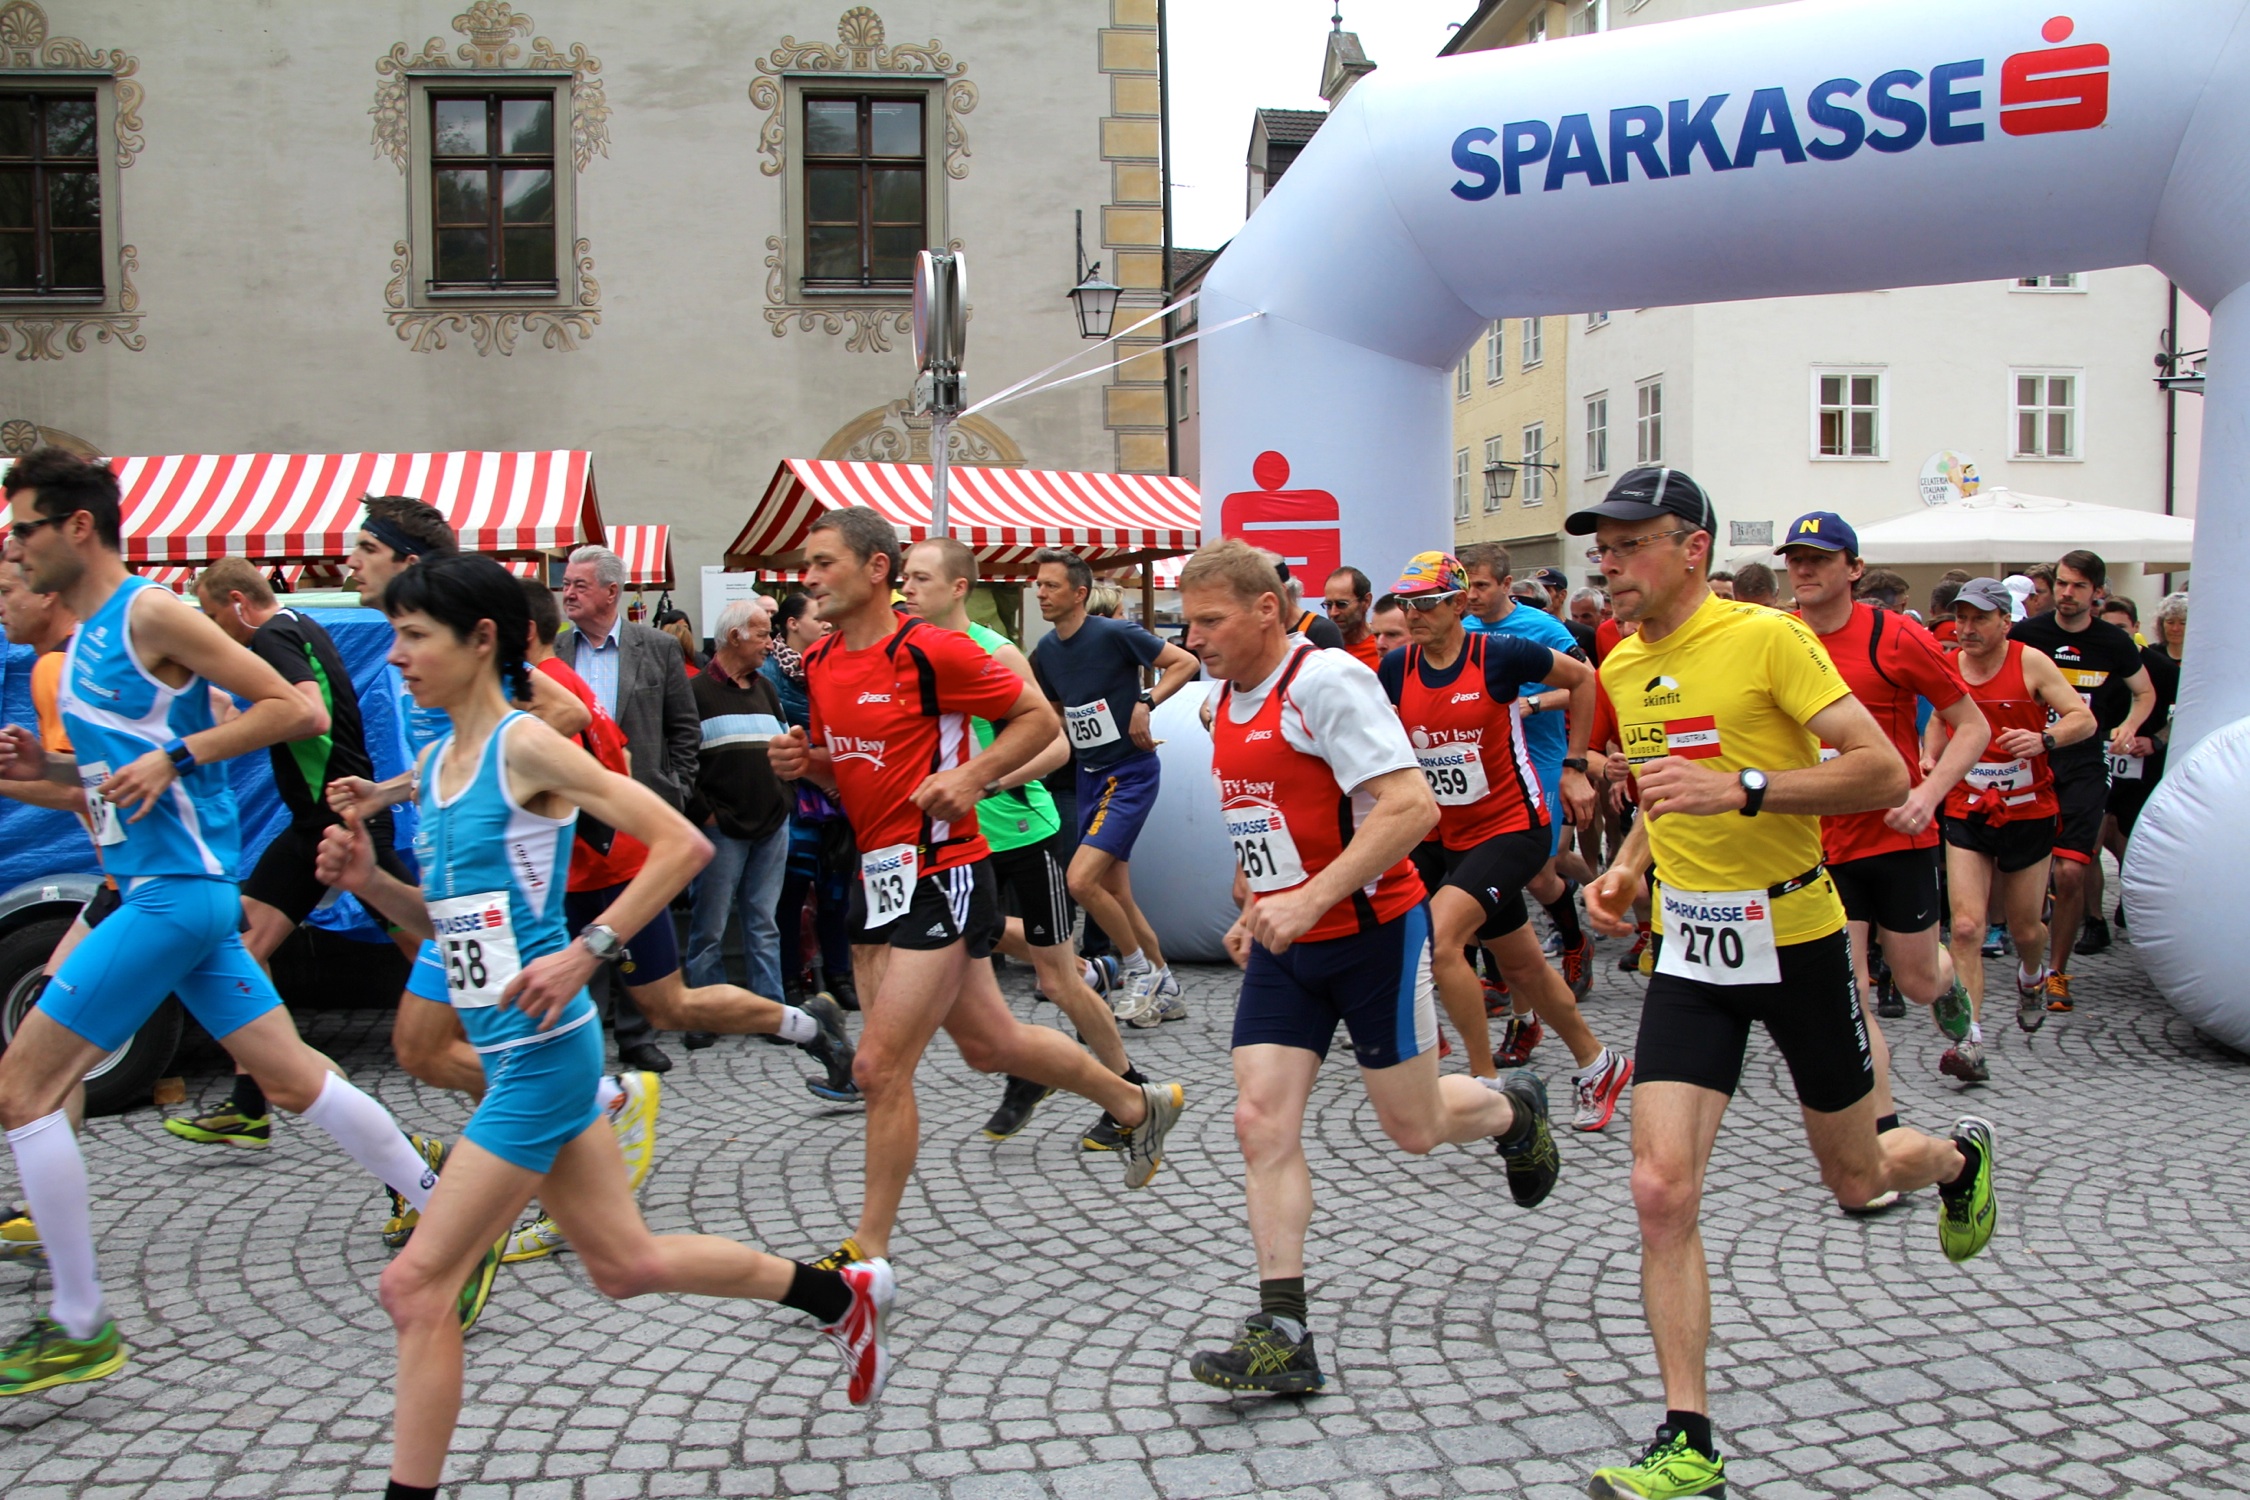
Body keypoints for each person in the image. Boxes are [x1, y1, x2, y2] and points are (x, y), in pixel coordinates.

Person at [314, 557, 893, 1499]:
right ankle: (837, 1295)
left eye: (415, 636)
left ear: (481, 641)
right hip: (517, 1053)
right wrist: (370, 883)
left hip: (540, 1060)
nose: (398, 656)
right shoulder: (440, 765)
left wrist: (589, 950)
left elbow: (681, 842)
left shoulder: (523, 746)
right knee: (626, 1264)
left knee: (414, 1287)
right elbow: (451, 930)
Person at [0, 449, 482, 1397]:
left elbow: (296, 711)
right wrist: (39, 774)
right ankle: (444, 1209)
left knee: (24, 1087)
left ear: (78, 527)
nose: (12, 550)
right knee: (295, 1078)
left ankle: (80, 1322)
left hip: (171, 895)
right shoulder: (90, 641)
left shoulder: (148, 613)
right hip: (180, 896)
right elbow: (113, 789)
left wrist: (177, 756)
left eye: (23, 531)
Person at [1574, 466, 1996, 1500]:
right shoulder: (1622, 660)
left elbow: (1883, 771)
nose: (1610, 564)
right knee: (1659, 1188)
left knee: (1857, 1177)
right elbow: (1667, 792)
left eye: (1631, 544)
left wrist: (1744, 788)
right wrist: (1627, 867)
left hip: (1798, 937)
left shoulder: (1768, 639)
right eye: (1604, 547)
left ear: (1694, 549)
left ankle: (1953, 1161)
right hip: (1691, 950)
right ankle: (1688, 1442)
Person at [1180, 539, 1557, 1396]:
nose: (1193, 638)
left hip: (1373, 937)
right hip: (1287, 949)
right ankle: (1283, 1331)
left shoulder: (1327, 683)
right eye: (1189, 622)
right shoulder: (1220, 699)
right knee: (1259, 1121)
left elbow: (1411, 807)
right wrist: (1256, 899)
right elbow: (1268, 810)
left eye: (1210, 621)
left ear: (1266, 610)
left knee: (1414, 1128)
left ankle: (1512, 1109)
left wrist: (1309, 899)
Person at [768, 507, 1187, 1276]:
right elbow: (851, 766)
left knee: (878, 1067)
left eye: (824, 563)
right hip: (879, 873)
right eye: (808, 565)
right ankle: (1138, 1104)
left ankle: (866, 1259)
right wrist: (809, 765)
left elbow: (1039, 721)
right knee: (991, 1045)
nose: (809, 578)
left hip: (946, 871)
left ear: (875, 569)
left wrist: (973, 777)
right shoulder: (821, 660)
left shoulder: (932, 651)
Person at [899, 540, 1151, 1148]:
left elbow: (1057, 745)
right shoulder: (905, 654)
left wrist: (985, 782)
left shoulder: (995, 651)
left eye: (921, 579)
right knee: (965, 947)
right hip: (952, 842)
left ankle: (1130, 1089)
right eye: (904, 578)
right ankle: (1024, 1062)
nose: (907, 590)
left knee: (1056, 980)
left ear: (959, 588)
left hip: (1019, 831)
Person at [1379, 552, 1631, 1128]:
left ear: (1458, 604)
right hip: (1448, 834)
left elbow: (1584, 678)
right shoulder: (1398, 666)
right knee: (1524, 968)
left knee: (1443, 939)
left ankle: (1484, 1082)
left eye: (1426, 603)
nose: (1413, 615)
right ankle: (1599, 1063)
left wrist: (1574, 765)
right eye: (1407, 604)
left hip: (1513, 827)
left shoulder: (1499, 653)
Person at [1778, 515, 1989, 1141]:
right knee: (1851, 990)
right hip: (1815, 843)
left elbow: (1972, 726)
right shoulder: (1776, 636)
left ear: (1854, 568)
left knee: (1918, 981)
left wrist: (1928, 793)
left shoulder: (1894, 636)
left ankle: (1946, 982)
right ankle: (1883, 1133)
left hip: (1894, 834)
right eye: (1795, 558)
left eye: (1819, 557)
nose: (1804, 569)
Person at [1027, 547, 1201, 1026]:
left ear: (1079, 594)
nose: (1041, 593)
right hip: (1088, 778)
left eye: (1051, 585)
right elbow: (1060, 715)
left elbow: (1184, 662)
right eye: (1038, 585)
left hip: (1130, 774)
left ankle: (1138, 970)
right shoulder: (1046, 651)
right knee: (1116, 893)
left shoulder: (1114, 633)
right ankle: (1166, 985)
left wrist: (1146, 701)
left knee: (1080, 880)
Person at [556, 544, 702, 1073]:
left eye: (579, 584)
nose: (568, 593)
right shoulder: (554, 650)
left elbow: (684, 727)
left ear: (612, 592)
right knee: (581, 924)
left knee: (639, 922)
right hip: (575, 814)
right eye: (565, 584)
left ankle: (637, 1034)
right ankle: (584, 1035)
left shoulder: (657, 647)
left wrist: (676, 788)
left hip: (643, 810)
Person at [1939, 578, 2098, 1046]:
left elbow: (2084, 719)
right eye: (1961, 618)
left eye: (1980, 619)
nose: (1967, 628)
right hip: (1968, 807)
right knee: (1965, 927)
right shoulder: (1948, 665)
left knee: (2026, 928)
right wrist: (1931, 757)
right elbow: (1939, 721)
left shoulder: (2031, 661)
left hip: (2028, 811)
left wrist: (2043, 739)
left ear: (2005, 622)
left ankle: (2032, 975)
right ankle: (1969, 1041)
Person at [1455, 542, 1599, 1047]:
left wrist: (1532, 705)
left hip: (1539, 758)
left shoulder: (1542, 628)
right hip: (1486, 766)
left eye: (1482, 586)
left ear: (1504, 585)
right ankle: (1503, 980)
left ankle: (1575, 942)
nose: (1473, 596)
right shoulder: (1462, 630)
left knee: (1538, 873)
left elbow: (1585, 681)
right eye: (1467, 586)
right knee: (1489, 877)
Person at [2007, 550, 2155, 1008]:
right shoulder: (2029, 634)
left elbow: (2145, 692)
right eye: (2062, 584)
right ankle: (2029, 956)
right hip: (2031, 761)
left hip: (2086, 764)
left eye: (2078, 586)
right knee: (2024, 871)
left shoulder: (2112, 641)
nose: (2068, 593)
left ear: (2098, 592)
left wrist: (2129, 726)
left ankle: (2058, 972)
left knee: (2071, 872)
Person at [682, 600, 796, 1030]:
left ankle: (769, 1014)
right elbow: (682, 762)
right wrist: (706, 814)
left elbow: (784, 746)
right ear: (735, 637)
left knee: (763, 922)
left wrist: (785, 798)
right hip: (721, 830)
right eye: (764, 634)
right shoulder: (695, 692)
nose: (771, 644)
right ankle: (707, 1016)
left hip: (772, 825)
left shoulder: (765, 689)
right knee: (709, 926)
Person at [766, 592, 856, 1010]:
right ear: (791, 623)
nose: (825, 623)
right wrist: (817, 773)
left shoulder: (833, 665)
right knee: (791, 894)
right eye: (816, 617)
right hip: (795, 799)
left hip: (838, 798)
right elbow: (778, 737)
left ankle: (840, 975)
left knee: (837, 891)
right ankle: (791, 978)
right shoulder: (769, 673)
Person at [2101, 591, 2184, 930]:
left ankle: (2131, 896)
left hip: (2145, 768)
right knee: (2092, 841)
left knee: (2134, 837)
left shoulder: (2161, 667)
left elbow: (2182, 714)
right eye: (2108, 627)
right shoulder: (2094, 662)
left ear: (2135, 627)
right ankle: (2093, 920)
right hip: (2099, 763)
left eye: (2121, 628)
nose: (2115, 635)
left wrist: (2155, 741)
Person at [1322, 565, 1380, 667]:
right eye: (1329, 605)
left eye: (1342, 604)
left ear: (1366, 601)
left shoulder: (1384, 646)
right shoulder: (1319, 650)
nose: (1333, 613)